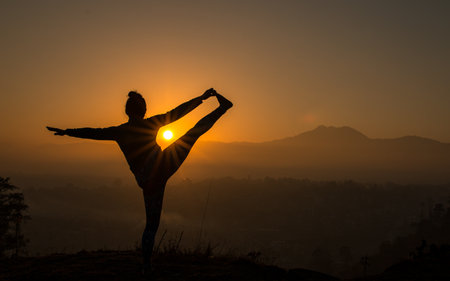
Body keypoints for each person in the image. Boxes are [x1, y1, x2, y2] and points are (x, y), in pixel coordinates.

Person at [47, 88, 232, 274]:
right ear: (143, 111)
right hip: (162, 167)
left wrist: (67, 132)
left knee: (151, 225)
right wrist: (200, 98)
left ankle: (146, 265)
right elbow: (178, 112)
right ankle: (222, 108)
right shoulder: (150, 124)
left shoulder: (120, 131)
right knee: (192, 134)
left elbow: (94, 133)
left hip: (147, 180)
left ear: (128, 111)